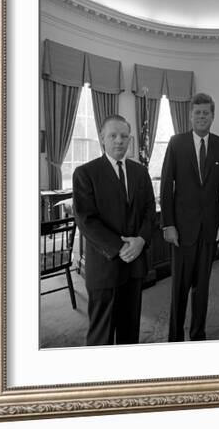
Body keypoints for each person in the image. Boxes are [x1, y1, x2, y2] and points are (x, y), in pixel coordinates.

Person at [72, 115, 155, 346]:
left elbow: (150, 211)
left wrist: (140, 240)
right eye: (113, 135)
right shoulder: (85, 173)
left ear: (130, 139)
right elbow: (86, 220)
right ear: (102, 138)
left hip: (135, 266)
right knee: (102, 335)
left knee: (130, 333)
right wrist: (121, 248)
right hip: (104, 268)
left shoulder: (140, 172)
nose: (119, 141)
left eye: (124, 136)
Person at [160, 93, 219, 341]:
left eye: (206, 112)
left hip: (210, 229)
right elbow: (166, 185)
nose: (202, 116)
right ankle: (175, 338)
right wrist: (168, 224)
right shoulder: (176, 142)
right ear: (190, 115)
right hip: (181, 230)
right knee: (179, 288)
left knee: (202, 288)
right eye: (197, 112)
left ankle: (198, 334)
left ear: (213, 116)